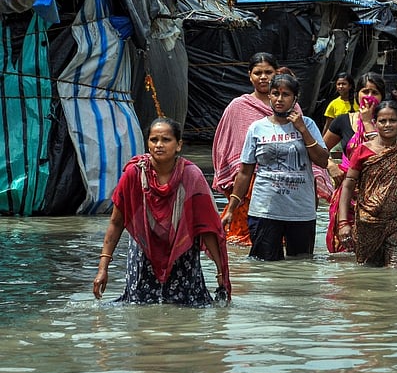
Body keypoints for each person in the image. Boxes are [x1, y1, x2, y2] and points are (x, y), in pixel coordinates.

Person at [93, 117, 231, 307]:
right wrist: (103, 269)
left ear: (178, 145)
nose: (159, 145)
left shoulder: (192, 177)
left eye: (166, 140)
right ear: (147, 144)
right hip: (143, 255)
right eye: (154, 140)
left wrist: (220, 272)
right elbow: (116, 223)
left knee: (187, 313)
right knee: (139, 310)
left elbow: (207, 228)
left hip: (183, 258)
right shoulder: (134, 175)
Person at [212, 53, 331, 247]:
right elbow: (230, 151)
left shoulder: (301, 118)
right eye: (258, 72)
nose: (263, 77)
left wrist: (302, 129)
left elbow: (317, 159)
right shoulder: (243, 111)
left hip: (298, 202)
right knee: (255, 253)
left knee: (299, 262)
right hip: (258, 194)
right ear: (249, 75)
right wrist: (232, 206)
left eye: (268, 72)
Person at [336, 100, 397, 267]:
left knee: (396, 272)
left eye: (393, 120)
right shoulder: (362, 151)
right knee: (369, 273)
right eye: (382, 121)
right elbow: (347, 186)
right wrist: (343, 223)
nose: (387, 125)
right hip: (367, 222)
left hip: (396, 222)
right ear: (375, 123)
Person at [323, 72, 386, 253]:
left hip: (375, 194)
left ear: (382, 97)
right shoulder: (343, 121)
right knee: (344, 250)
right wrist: (331, 165)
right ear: (357, 93)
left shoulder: (387, 124)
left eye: (375, 92)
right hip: (346, 194)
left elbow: (381, 154)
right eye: (365, 91)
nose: (369, 97)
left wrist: (368, 122)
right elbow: (320, 150)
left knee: (372, 250)